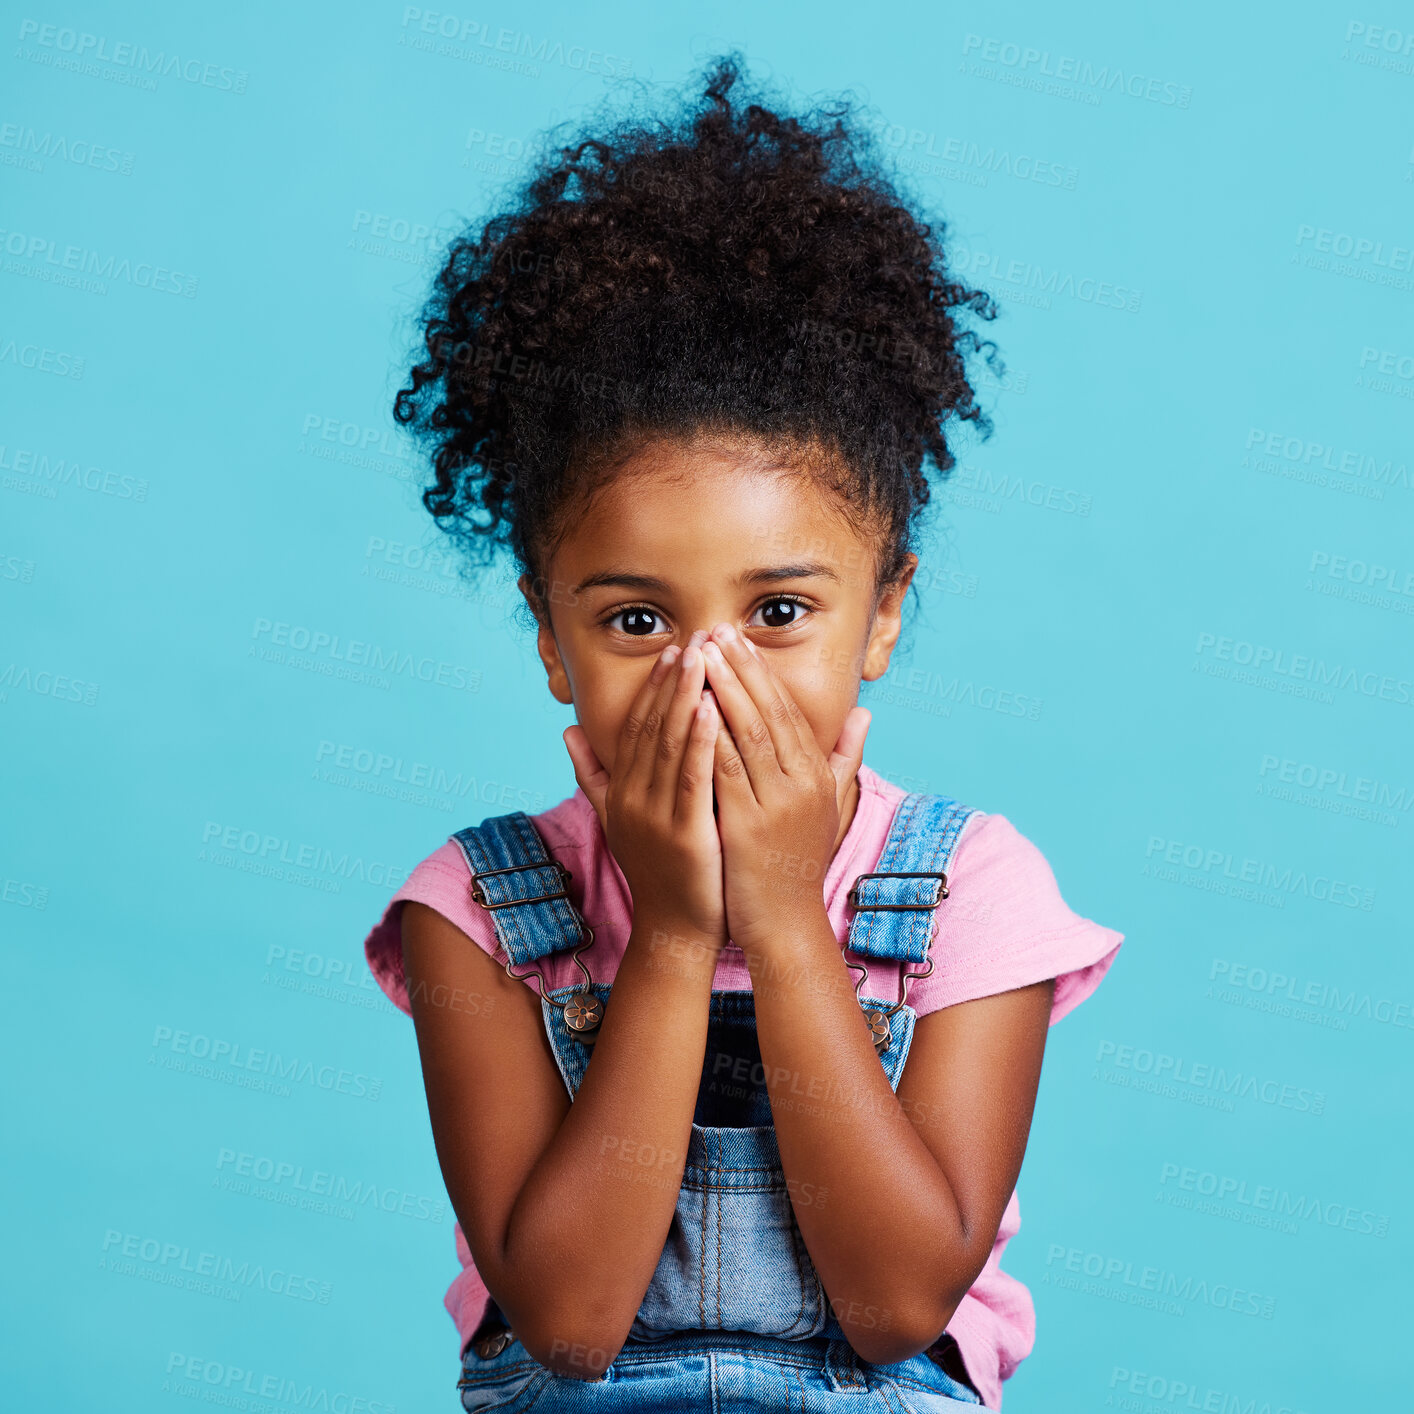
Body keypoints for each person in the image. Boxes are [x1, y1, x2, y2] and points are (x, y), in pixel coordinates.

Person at [362, 53, 1123, 1412]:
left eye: (777, 609)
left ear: (882, 613)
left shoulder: (976, 893)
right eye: (635, 622)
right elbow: (573, 1324)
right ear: (548, 636)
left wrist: (777, 919)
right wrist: (666, 931)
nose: (708, 680)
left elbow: (896, 1307)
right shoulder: (473, 911)